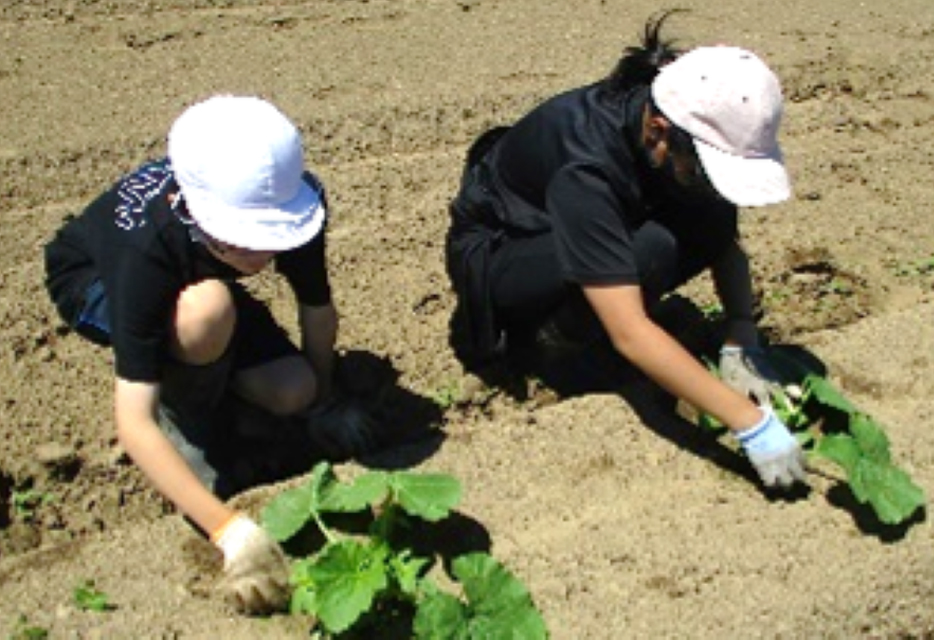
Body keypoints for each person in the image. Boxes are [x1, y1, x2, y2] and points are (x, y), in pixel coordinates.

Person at [445, 12, 806, 489]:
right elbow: (630, 331)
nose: (707, 182)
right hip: (505, 254)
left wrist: (742, 334)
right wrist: (750, 423)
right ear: (657, 132)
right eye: (703, 167)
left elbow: (722, 237)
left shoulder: (676, 124)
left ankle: (592, 307)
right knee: (651, 250)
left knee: (697, 216)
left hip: (577, 229)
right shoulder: (586, 168)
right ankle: (552, 344)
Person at [43, 95, 370, 614]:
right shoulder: (145, 249)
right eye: (243, 240)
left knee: (293, 388)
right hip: (96, 282)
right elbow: (133, 419)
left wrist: (321, 402)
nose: (261, 254)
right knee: (205, 314)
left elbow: (317, 309)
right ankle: (190, 419)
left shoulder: (293, 199)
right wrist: (229, 530)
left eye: (271, 236)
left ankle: (215, 369)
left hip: (197, 279)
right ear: (200, 214)